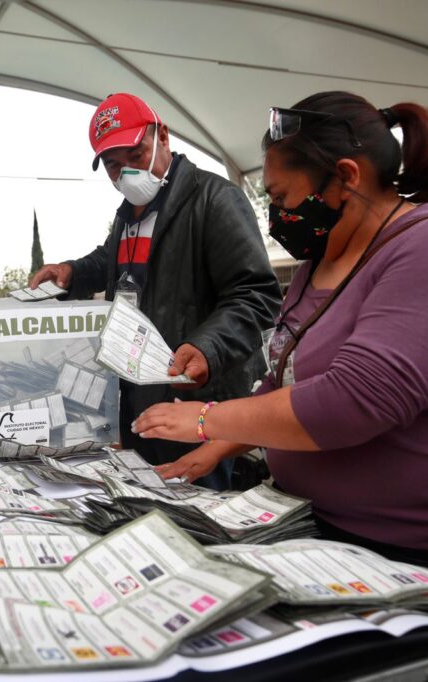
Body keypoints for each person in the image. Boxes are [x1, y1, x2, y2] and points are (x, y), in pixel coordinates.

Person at [134, 92, 428, 679]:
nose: (277, 216)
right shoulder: (318, 266)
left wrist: (206, 418)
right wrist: (216, 450)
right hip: (333, 541)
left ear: (345, 177)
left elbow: (356, 401)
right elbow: (281, 387)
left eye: (281, 197)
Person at [29, 93, 281, 487]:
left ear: (162, 136)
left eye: (136, 153)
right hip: (136, 395)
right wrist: (70, 272)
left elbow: (255, 294)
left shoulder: (214, 199)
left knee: (197, 505)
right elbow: (112, 261)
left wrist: (208, 347)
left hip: (195, 397)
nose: (127, 172)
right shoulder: (129, 214)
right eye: (113, 165)